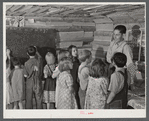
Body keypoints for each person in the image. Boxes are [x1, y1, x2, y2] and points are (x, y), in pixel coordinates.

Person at [106, 25, 135, 90]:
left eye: (117, 35)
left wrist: (131, 82)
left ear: (123, 35)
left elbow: (130, 65)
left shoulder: (125, 47)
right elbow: (108, 57)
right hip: (111, 70)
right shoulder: (112, 44)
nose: (115, 37)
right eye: (114, 34)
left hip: (121, 73)